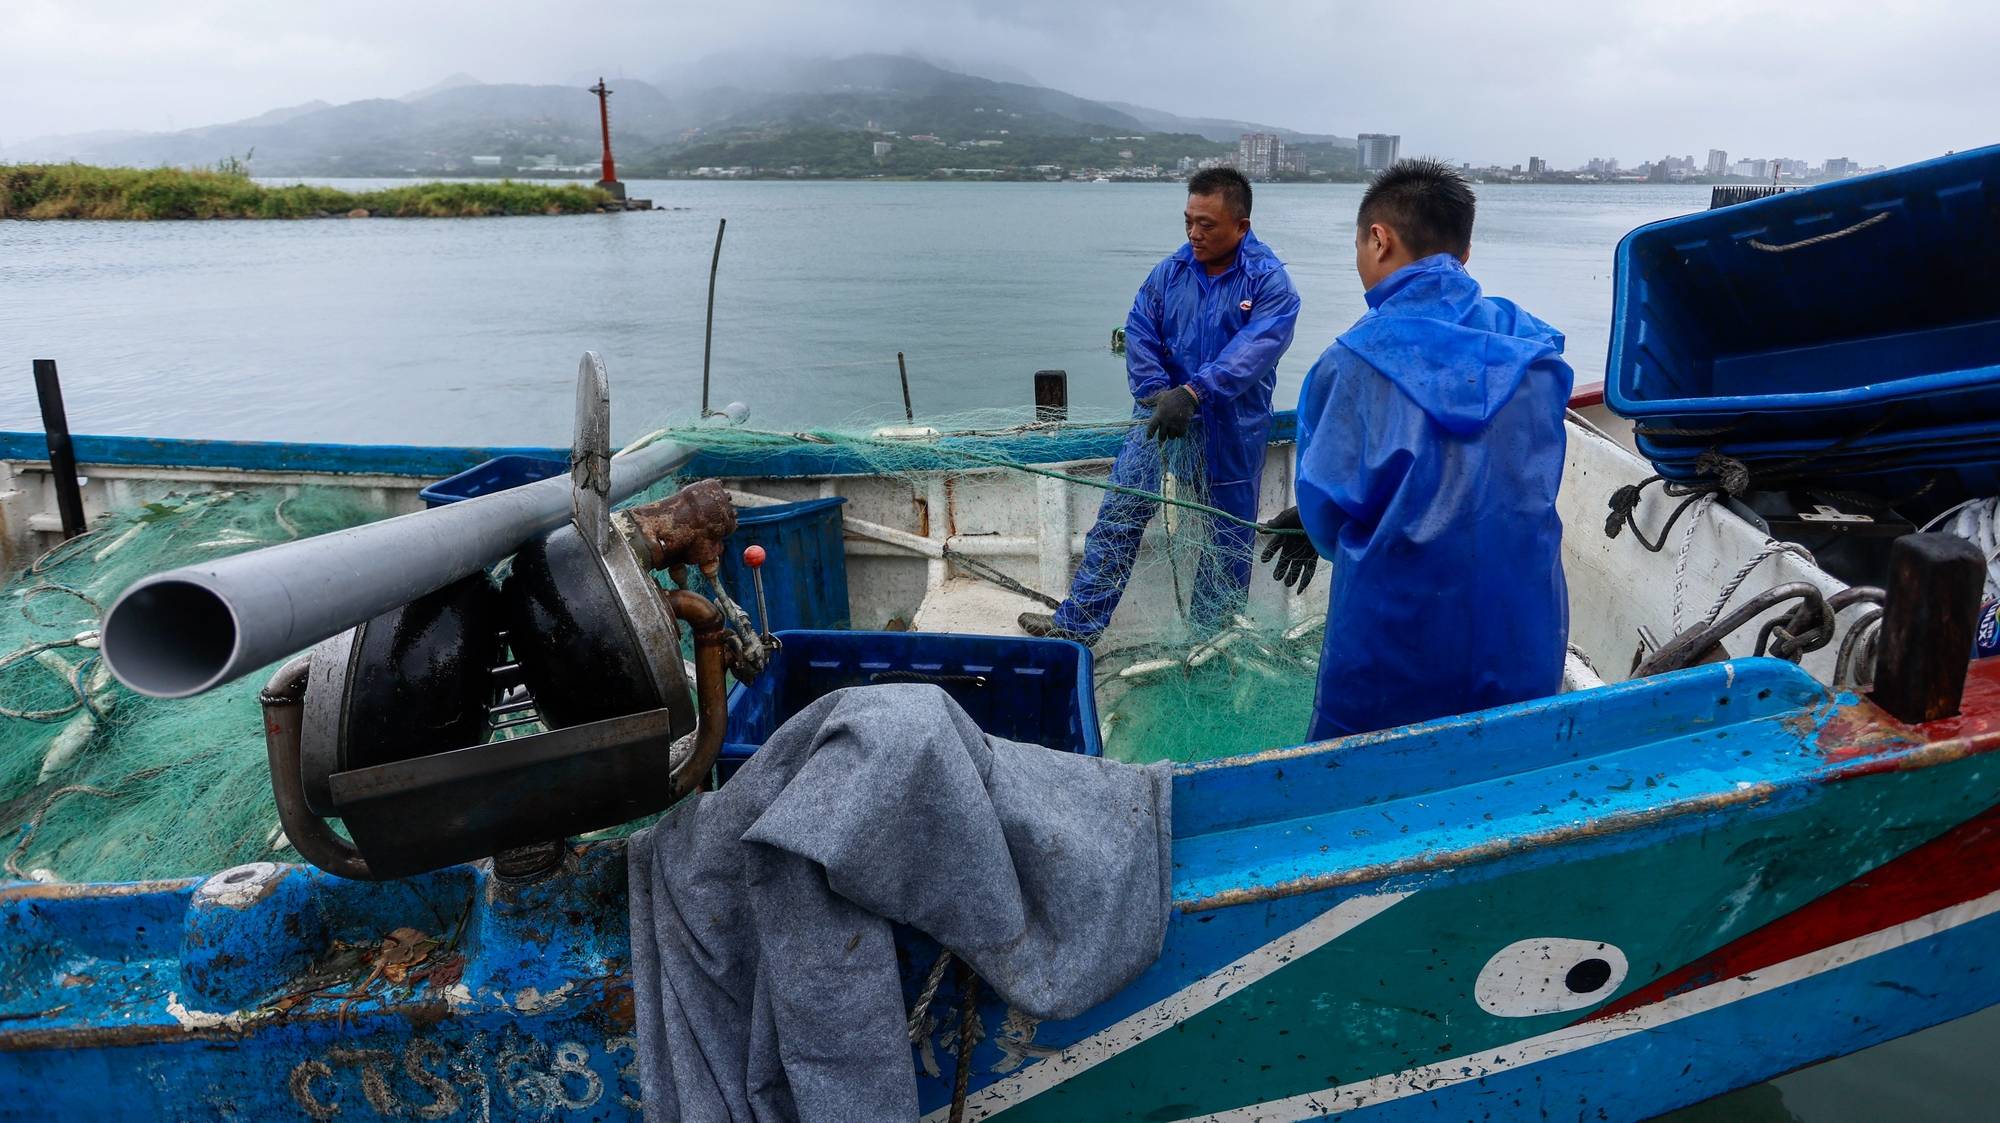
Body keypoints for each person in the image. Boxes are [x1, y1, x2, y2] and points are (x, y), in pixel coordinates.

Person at [1262, 158, 1571, 741]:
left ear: (1379, 239)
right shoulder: (1535, 346)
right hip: (1527, 631)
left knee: (1367, 788)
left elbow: (1327, 514)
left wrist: (1311, 519)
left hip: (1394, 644)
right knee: (1509, 774)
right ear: (1464, 254)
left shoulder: (1351, 362)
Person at [1021, 168, 1301, 644]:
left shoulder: (1271, 284)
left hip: (1231, 429)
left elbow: (1253, 352)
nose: (1194, 233)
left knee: (1224, 542)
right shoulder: (1170, 272)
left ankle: (1210, 645)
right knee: (1120, 516)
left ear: (1241, 226)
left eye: (1207, 224)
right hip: (1158, 419)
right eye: (1188, 221)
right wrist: (1156, 393)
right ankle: (1075, 629)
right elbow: (1141, 330)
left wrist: (1194, 393)